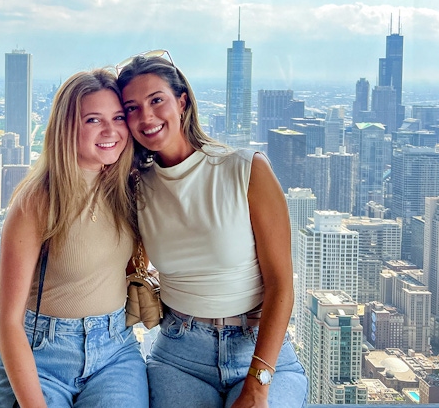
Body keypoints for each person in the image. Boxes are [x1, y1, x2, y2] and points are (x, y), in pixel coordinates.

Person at [116, 51, 308, 408]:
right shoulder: (135, 188)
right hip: (179, 353)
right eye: (131, 108)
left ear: (182, 103)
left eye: (157, 100)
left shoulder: (246, 170)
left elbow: (281, 285)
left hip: (258, 350)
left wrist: (258, 383)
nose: (146, 116)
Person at [0, 68, 148, 408]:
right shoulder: (37, 201)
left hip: (114, 351)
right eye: (93, 120)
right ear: (67, 127)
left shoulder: (126, 188)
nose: (111, 131)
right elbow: (7, 322)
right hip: (42, 355)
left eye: (118, 117)